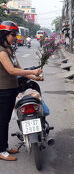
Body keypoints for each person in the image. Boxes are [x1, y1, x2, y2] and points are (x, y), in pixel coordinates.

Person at [0, 21, 43, 161]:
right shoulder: (1, 51)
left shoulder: (10, 50)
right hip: (3, 91)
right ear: (4, 35)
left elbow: (20, 70)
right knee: (2, 120)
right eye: (13, 35)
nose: (15, 37)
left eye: (16, 35)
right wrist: (33, 70)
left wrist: (34, 76)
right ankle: (1, 151)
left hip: (12, 89)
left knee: (5, 120)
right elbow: (11, 70)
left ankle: (4, 146)